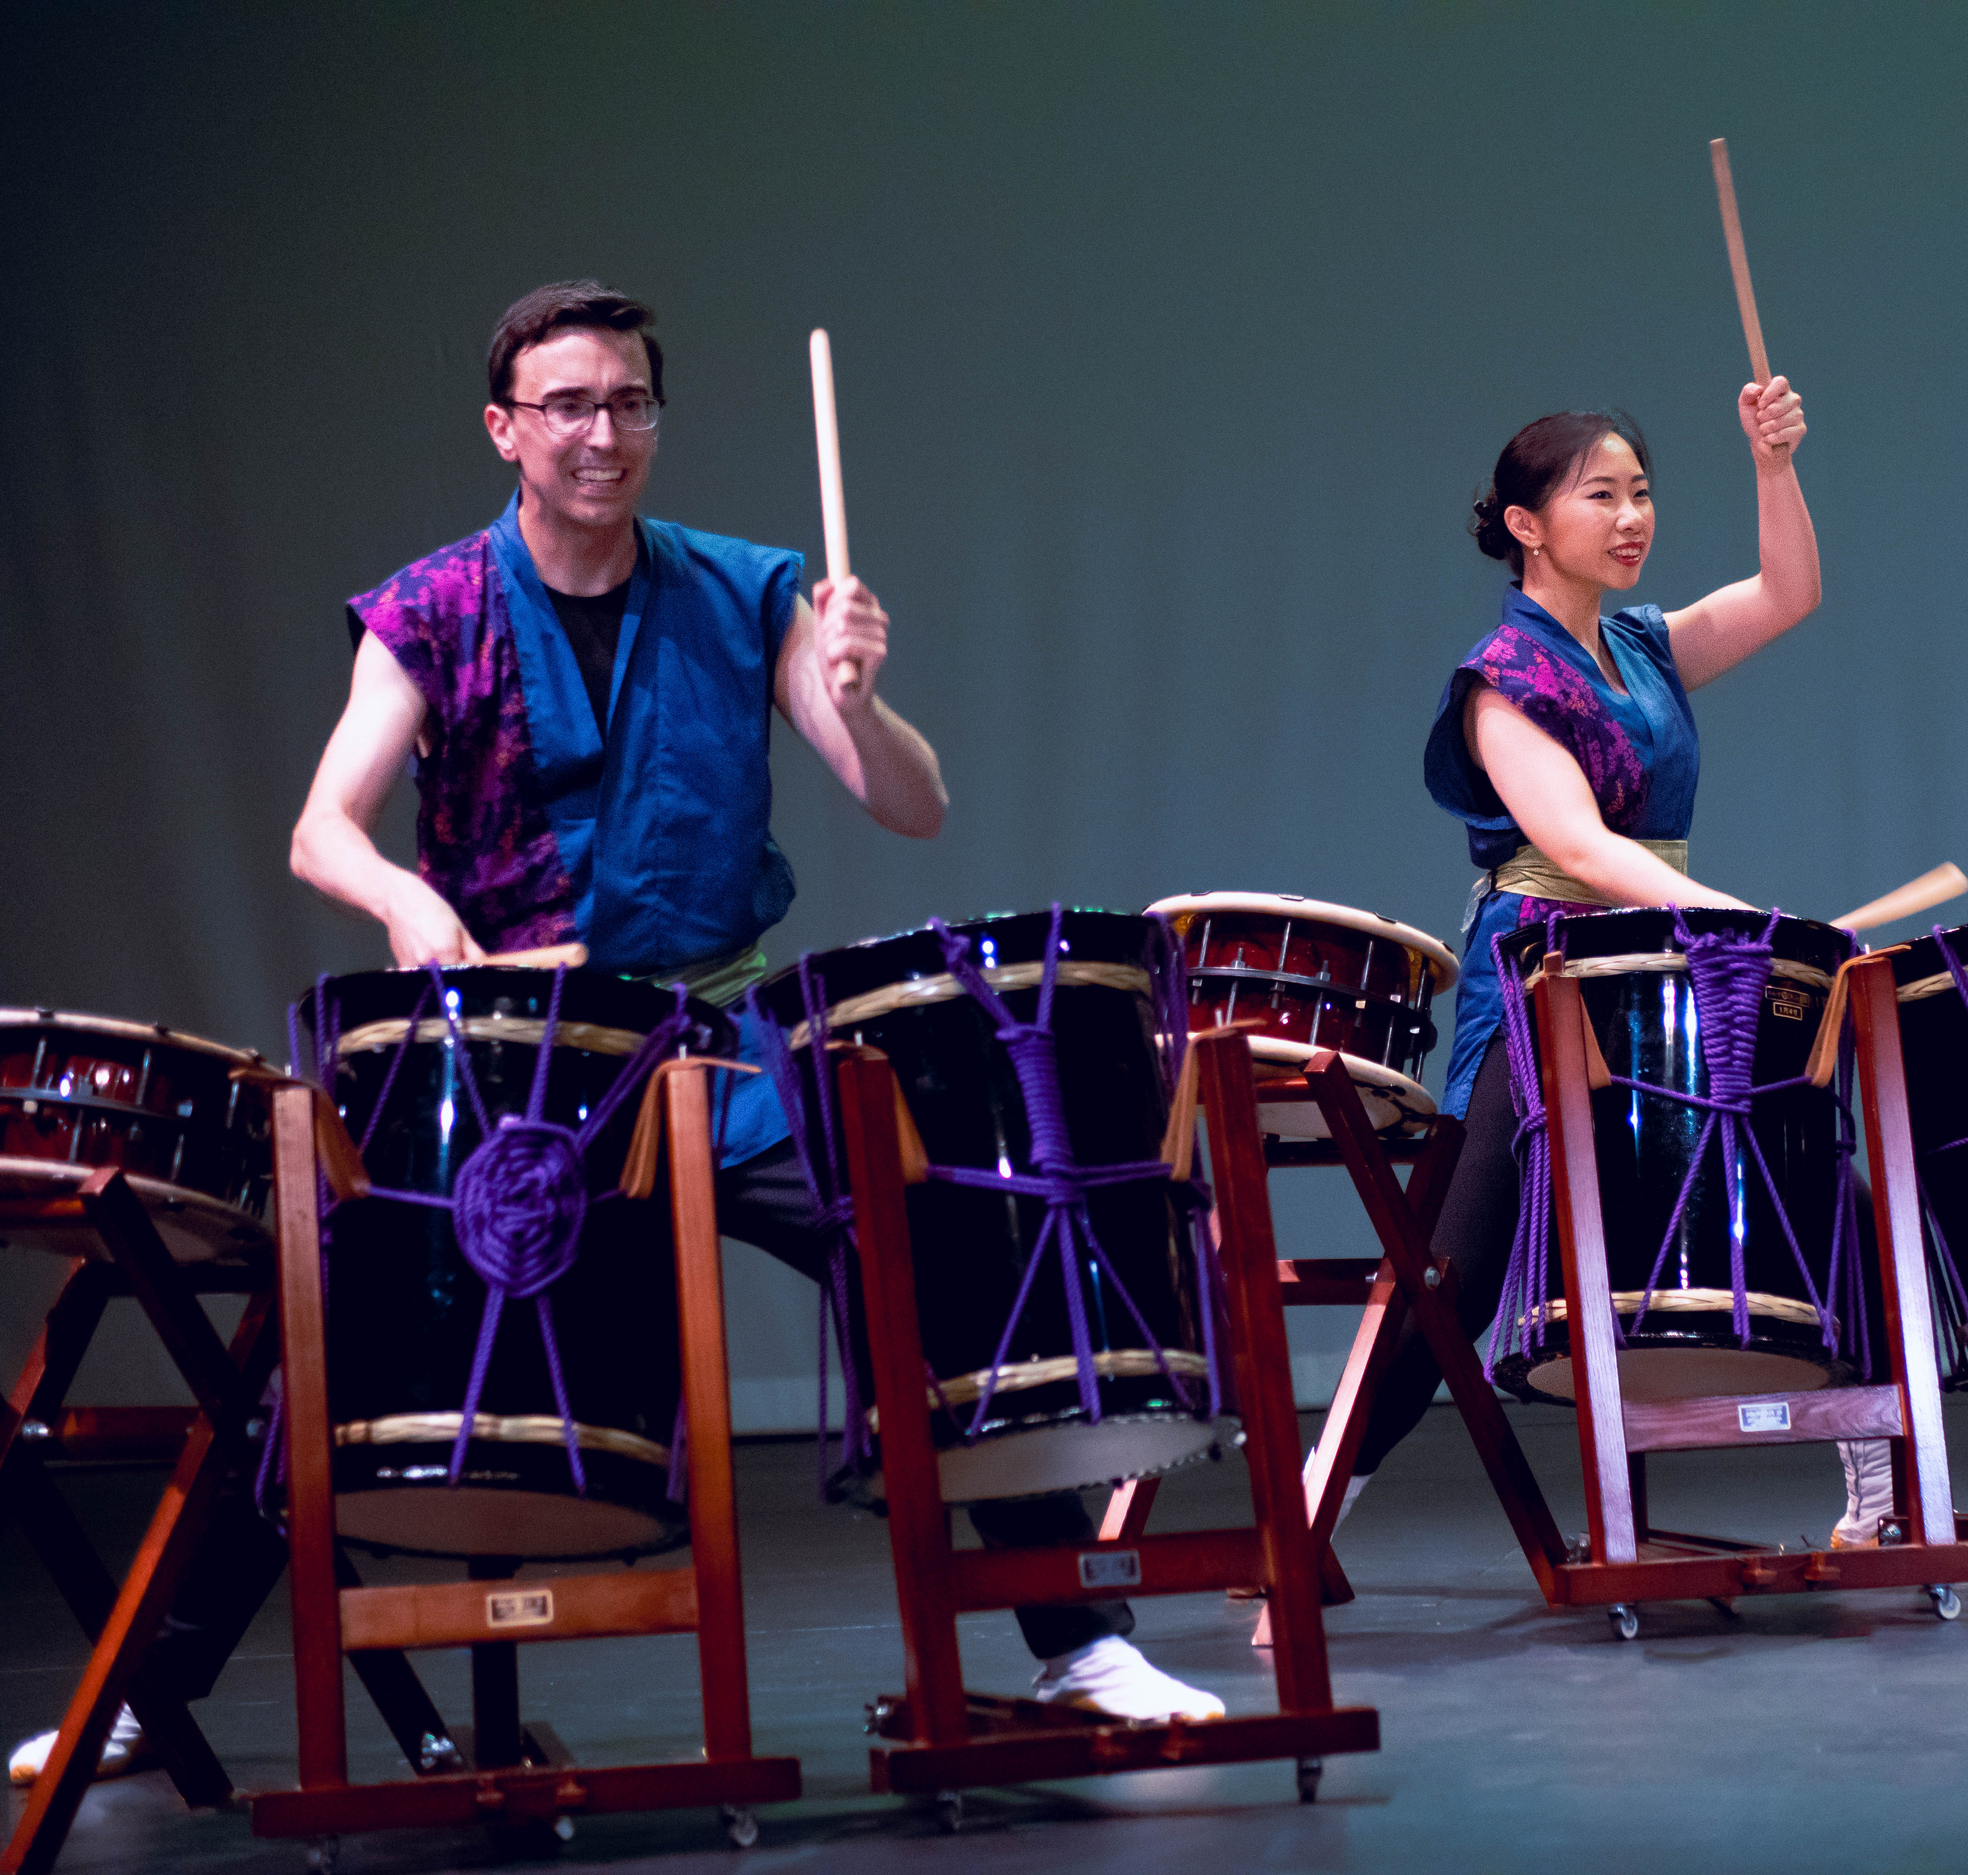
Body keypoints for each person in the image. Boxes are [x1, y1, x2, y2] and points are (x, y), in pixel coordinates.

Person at [11, 282, 1209, 1787]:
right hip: (516, 1059)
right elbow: (325, 825)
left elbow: (910, 805)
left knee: (916, 1226)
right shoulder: (432, 605)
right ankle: (151, 1688)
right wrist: (402, 898)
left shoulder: (750, 592)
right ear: (505, 427)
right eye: (567, 404)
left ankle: (1069, 1638)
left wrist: (862, 697)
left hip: (709, 1036)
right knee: (328, 1337)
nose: (601, 432)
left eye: (629, 402)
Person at [1328, 377, 1883, 1542]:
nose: (1632, 518)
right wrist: (1739, 923)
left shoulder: (1640, 645)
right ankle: (1313, 1505)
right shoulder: (1501, 679)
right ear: (1527, 525)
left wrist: (1771, 463)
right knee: (1457, 1274)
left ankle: (1881, 1489)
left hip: (1668, 968)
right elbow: (1575, 847)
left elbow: (1790, 593)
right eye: (1601, 496)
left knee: (1807, 1183)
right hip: (1545, 977)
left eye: (1642, 494)